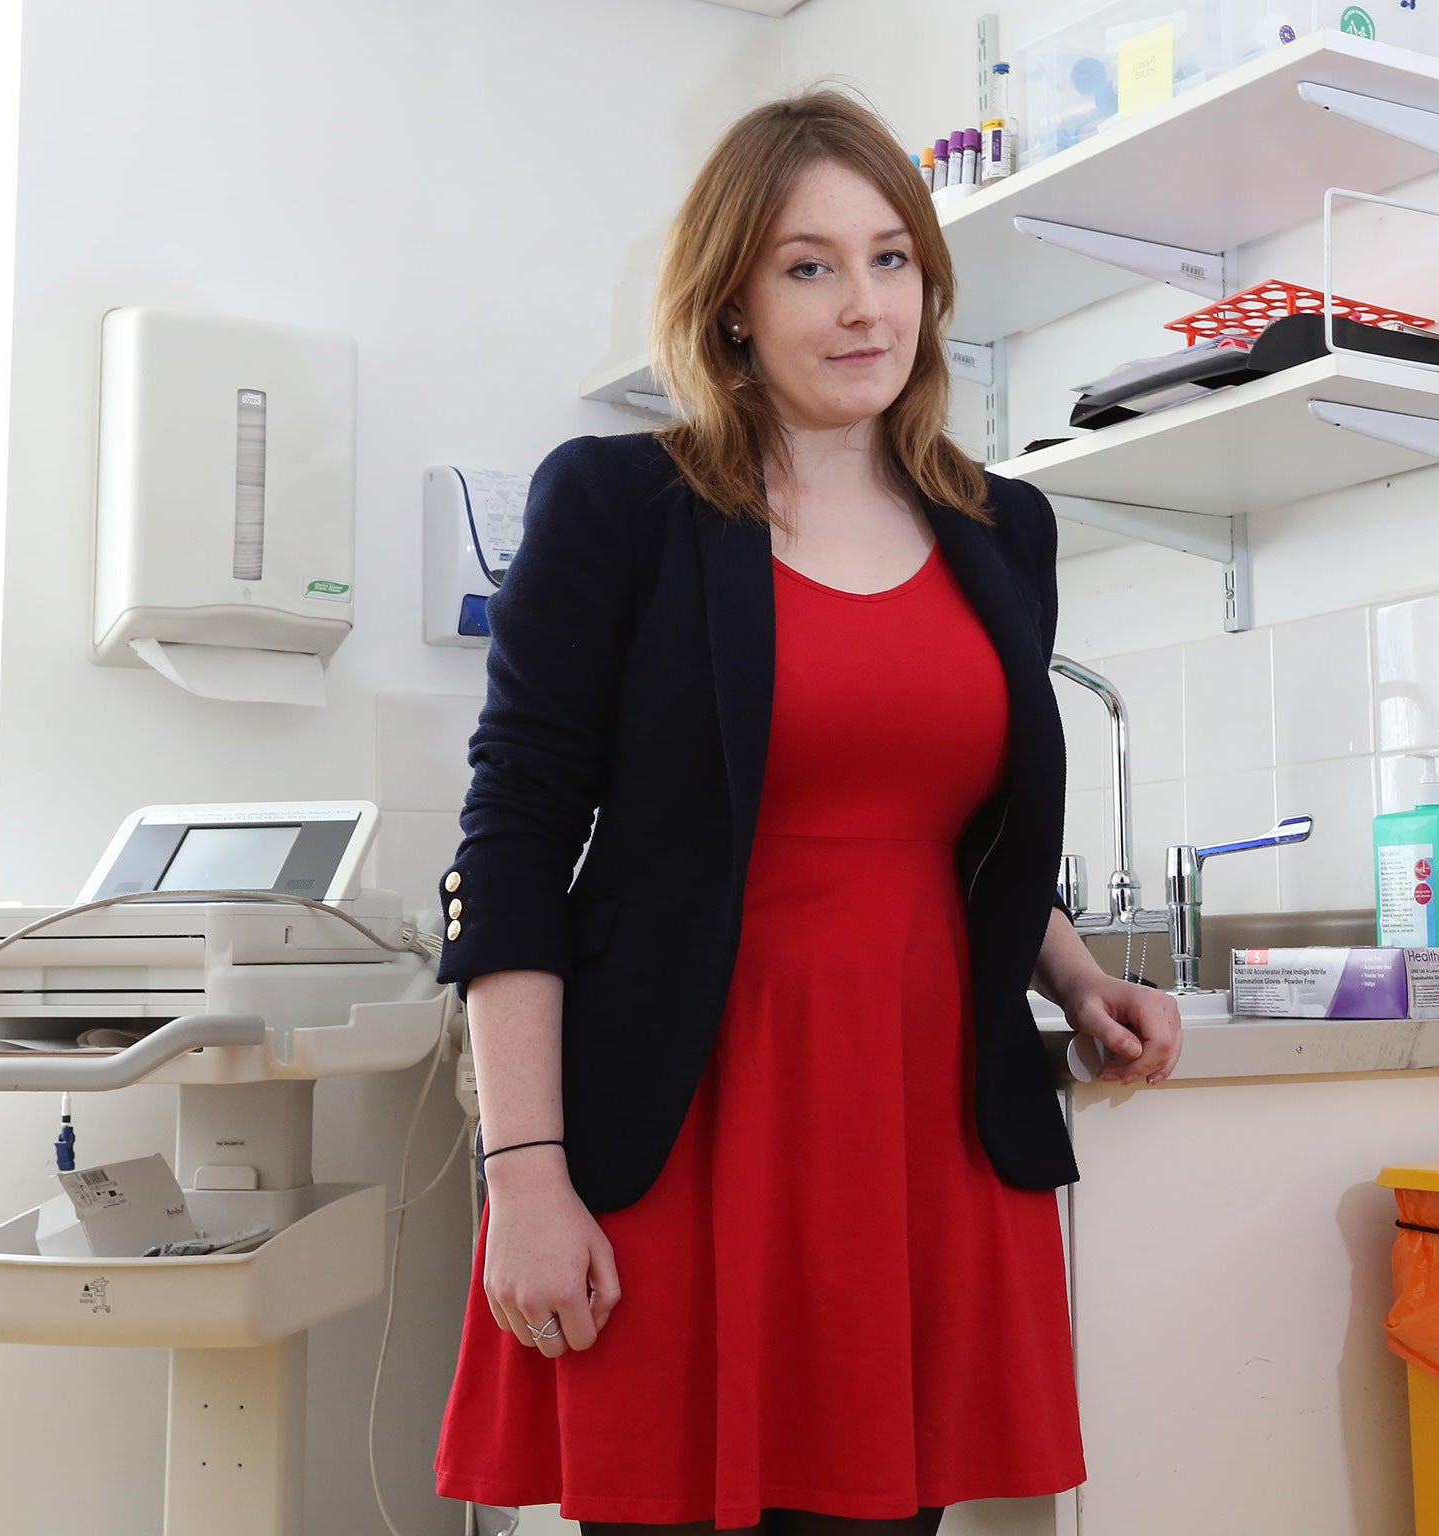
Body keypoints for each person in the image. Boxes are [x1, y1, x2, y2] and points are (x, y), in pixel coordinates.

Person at [431, 89, 1182, 1536]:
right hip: (691, 1110)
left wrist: (1081, 982)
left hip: (920, 1123)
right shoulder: (619, 505)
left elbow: (966, 840)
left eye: (892, 258)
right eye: (809, 264)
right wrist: (524, 1173)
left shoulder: (1000, 528)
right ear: (731, 304)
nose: (863, 306)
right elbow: (514, 834)